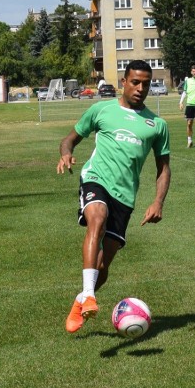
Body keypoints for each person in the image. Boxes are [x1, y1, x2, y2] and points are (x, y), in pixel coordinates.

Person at [57, 59, 171, 334]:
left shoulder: (157, 125)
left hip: (125, 195)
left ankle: (80, 300)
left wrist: (157, 202)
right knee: (97, 217)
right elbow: (69, 139)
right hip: (96, 178)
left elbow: (163, 168)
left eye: (146, 83)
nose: (140, 88)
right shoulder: (101, 110)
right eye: (135, 82)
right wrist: (66, 153)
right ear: (124, 81)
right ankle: (89, 294)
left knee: (104, 264)